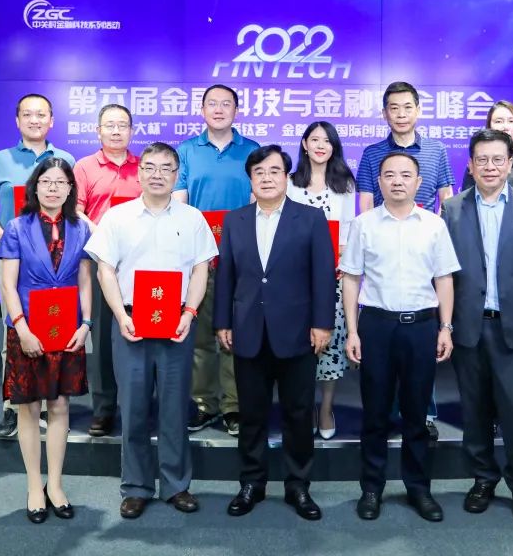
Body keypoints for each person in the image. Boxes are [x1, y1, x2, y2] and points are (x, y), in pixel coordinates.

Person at [87, 142, 218, 519]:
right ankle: (136, 486)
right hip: (130, 323)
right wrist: (119, 315)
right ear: (139, 173)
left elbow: (201, 269)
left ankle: (176, 485)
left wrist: (190, 312)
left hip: (177, 322)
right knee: (133, 408)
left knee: (175, 407)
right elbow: (105, 270)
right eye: (149, 167)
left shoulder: (192, 218)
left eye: (165, 168)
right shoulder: (117, 217)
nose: (157, 174)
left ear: (176, 175)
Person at [214, 145, 335, 521]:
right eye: (259, 172)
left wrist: (323, 323)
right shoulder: (234, 220)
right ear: (250, 179)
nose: (266, 178)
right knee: (252, 413)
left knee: (298, 413)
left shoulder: (311, 218)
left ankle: (298, 486)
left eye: (274, 171)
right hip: (248, 330)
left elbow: (322, 274)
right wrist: (222, 322)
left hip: (298, 333)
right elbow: (226, 275)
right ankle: (252, 483)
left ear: (286, 177)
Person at [442, 129, 513, 524]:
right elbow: (443, 273)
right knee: (474, 410)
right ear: (470, 166)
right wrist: (444, 325)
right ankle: (483, 479)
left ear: (509, 164)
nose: (489, 167)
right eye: (482, 160)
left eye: (497, 160)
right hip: (469, 327)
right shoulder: (452, 209)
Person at [342, 152, 459, 523]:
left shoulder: (434, 225)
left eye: (406, 175)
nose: (397, 181)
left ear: (419, 182)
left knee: (416, 414)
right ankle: (371, 488)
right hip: (376, 326)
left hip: (421, 327)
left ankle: (419, 488)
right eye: (389, 175)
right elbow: (351, 278)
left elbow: (444, 278)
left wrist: (445, 327)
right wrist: (352, 330)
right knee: (374, 413)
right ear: (378, 182)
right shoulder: (363, 224)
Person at [356, 81, 454, 440]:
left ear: (418, 110)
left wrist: (432, 234)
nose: (400, 114)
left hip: (424, 244)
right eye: (393, 108)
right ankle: (384, 414)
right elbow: (365, 202)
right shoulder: (372, 154)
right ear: (384, 113)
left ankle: (423, 413)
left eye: (407, 107)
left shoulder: (436, 150)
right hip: (384, 242)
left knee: (422, 334)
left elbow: (447, 197)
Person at [0, 157, 92, 524]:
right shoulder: (16, 227)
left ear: (70, 189)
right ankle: (34, 486)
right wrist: (21, 329)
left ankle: (55, 484)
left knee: (60, 405)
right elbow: (8, 285)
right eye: (46, 181)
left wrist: (87, 323)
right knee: (28, 408)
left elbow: (85, 280)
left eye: (60, 182)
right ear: (34, 187)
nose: (53, 188)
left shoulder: (81, 228)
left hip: (67, 329)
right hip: (28, 329)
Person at [0, 94, 75, 438]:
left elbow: (73, 209)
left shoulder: (65, 159)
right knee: (15, 330)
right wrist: (8, 236)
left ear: (51, 120)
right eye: (28, 114)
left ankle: (50, 404)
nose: (35, 120)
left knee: (54, 327)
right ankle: (12, 404)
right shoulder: (0, 160)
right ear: (17, 120)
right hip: (14, 259)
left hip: (56, 260)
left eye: (41, 114)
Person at [172, 84, 259, 436]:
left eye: (226, 104)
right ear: (202, 109)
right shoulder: (186, 151)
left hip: (242, 258)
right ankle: (204, 403)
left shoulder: (252, 150)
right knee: (203, 336)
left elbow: (259, 200)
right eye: (212, 103)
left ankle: (233, 405)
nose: (219, 109)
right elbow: (179, 202)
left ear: (236, 110)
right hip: (200, 259)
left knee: (236, 334)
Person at [73, 104, 142, 438]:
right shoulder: (84, 167)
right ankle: (103, 409)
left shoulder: (144, 166)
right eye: (110, 125)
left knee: (138, 335)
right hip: (101, 261)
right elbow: (76, 209)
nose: (116, 131)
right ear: (98, 130)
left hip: (140, 263)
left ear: (132, 131)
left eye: (122, 125)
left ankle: (137, 408)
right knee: (101, 339)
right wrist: (103, 233)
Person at [286, 121, 355, 439]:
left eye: (327, 141)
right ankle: (302, 407)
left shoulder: (345, 184)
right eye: (314, 140)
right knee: (298, 344)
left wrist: (341, 256)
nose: (320, 146)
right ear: (304, 144)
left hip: (333, 276)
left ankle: (326, 407)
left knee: (331, 342)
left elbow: (350, 228)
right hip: (295, 277)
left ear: (334, 146)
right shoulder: (290, 183)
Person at [459, 99, 513, 205]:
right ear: (489, 126)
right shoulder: (478, 164)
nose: (505, 127)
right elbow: (465, 206)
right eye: (498, 121)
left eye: (511, 121)